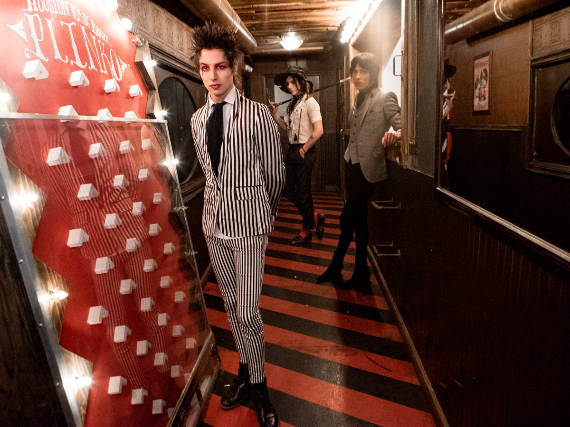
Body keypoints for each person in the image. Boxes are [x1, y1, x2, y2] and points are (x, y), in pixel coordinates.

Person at [190, 23, 285, 427]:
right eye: (205, 68)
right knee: (231, 306)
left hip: (249, 227)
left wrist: (263, 215)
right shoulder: (197, 119)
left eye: (221, 67)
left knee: (247, 311)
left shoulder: (258, 115)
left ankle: (259, 388)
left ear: (234, 68)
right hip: (213, 225)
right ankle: (246, 373)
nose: (213, 76)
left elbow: (276, 175)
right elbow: (209, 174)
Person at [317, 52, 401, 289]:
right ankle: (361, 270)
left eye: (363, 71)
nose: (357, 76)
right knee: (360, 219)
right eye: (354, 71)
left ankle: (336, 265)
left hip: (369, 168)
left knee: (347, 217)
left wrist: (395, 134)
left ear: (373, 73)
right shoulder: (357, 100)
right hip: (351, 164)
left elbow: (402, 125)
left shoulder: (385, 97)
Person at [270, 66, 326, 245]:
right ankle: (314, 216)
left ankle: (306, 231)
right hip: (292, 150)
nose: (290, 86)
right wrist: (275, 116)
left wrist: (304, 149)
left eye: (293, 82)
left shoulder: (310, 102)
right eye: (287, 83)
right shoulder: (292, 105)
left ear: (301, 82)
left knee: (303, 193)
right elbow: (289, 129)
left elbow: (319, 130)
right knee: (287, 189)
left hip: (304, 151)